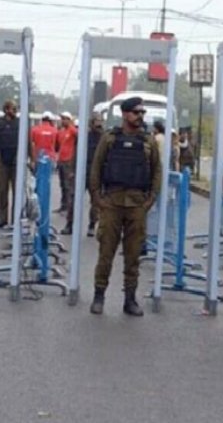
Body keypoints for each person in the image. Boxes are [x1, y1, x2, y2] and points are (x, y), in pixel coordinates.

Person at [89, 97, 161, 316]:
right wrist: (97, 199)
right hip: (112, 203)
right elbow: (96, 168)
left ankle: (130, 299)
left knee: (133, 256)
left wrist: (150, 200)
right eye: (136, 112)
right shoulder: (109, 138)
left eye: (142, 112)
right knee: (106, 253)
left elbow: (157, 170)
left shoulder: (148, 141)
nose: (140, 116)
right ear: (125, 114)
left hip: (137, 205)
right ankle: (99, 295)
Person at [0, 100, 20, 229]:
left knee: (17, 192)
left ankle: (15, 220)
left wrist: (31, 160)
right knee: (2, 191)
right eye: (12, 108)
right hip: (3, 161)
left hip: (16, 161)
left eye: (15, 108)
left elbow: (28, 143)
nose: (14, 110)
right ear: (6, 109)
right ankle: (2, 219)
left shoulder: (20, 123)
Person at [57, 111, 78, 234]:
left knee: (68, 185)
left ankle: (66, 205)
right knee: (62, 184)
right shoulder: (61, 132)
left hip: (69, 161)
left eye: (65, 119)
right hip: (61, 160)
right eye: (62, 118)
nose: (63, 120)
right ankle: (63, 204)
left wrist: (72, 125)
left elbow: (78, 136)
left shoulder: (72, 130)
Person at [85, 114, 105, 237]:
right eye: (96, 122)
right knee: (73, 198)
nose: (98, 125)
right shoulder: (84, 137)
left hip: (98, 172)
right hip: (84, 170)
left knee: (96, 201)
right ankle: (70, 224)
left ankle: (92, 224)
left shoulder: (104, 138)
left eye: (100, 122)